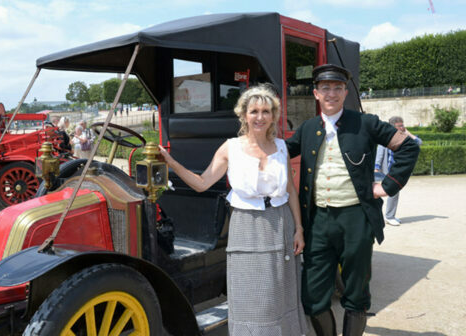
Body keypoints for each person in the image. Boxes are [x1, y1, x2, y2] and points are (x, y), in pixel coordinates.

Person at [158, 84, 309, 335]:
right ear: (244, 115)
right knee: (251, 293)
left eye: (265, 111)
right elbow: (201, 183)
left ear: (273, 115)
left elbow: (290, 191)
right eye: (254, 111)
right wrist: (172, 163)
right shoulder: (231, 147)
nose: (260, 117)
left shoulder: (282, 146)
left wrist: (299, 229)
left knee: (279, 291)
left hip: (280, 223)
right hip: (246, 225)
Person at [285, 64, 420, 336]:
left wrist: (388, 186)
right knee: (312, 296)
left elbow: (408, 146)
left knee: (356, 291)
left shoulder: (366, 123)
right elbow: (279, 153)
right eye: (325, 88)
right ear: (315, 93)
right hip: (317, 222)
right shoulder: (308, 128)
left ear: (345, 92)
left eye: (337, 88)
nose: (331, 93)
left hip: (356, 219)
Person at [375, 116, 422, 226]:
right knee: (384, 192)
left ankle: (389, 216)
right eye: (400, 126)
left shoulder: (404, 137)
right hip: (386, 169)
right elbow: (380, 152)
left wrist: (407, 133)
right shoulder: (387, 137)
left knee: (393, 192)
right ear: (393, 127)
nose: (402, 127)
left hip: (397, 170)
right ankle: (387, 216)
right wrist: (376, 167)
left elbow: (418, 142)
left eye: (403, 125)